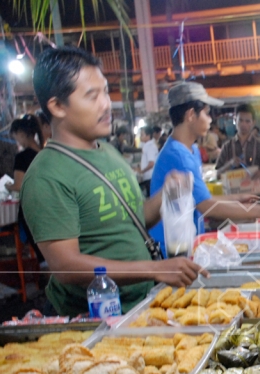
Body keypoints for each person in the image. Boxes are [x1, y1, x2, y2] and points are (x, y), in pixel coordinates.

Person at [21, 46, 207, 317]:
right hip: (93, 318)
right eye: (92, 96)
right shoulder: (47, 175)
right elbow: (65, 265)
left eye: (106, 92)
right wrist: (156, 269)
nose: (106, 104)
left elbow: (130, 221)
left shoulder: (107, 152)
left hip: (141, 306)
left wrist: (165, 195)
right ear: (57, 106)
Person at [152, 84, 260, 256]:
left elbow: (201, 198)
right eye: (206, 113)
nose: (210, 120)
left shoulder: (191, 151)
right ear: (191, 115)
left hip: (188, 241)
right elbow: (207, 206)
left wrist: (236, 198)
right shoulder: (178, 156)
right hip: (172, 249)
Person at [216, 103, 260, 200]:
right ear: (235, 121)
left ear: (253, 122)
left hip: (258, 199)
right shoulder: (227, 147)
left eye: (247, 121)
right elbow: (217, 174)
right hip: (235, 201)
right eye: (240, 120)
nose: (244, 124)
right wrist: (230, 164)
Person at [9, 114, 44, 193]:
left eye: (16, 138)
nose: (17, 142)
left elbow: (18, 186)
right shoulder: (44, 153)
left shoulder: (21, 157)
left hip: (31, 201)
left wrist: (7, 187)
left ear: (21, 134)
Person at [137, 126, 159, 196]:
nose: (140, 136)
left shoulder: (150, 147)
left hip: (150, 177)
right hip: (148, 177)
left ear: (148, 136)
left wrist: (142, 171)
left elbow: (151, 163)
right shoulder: (146, 145)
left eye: (142, 135)